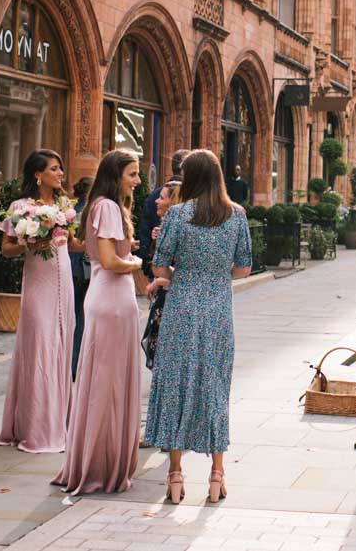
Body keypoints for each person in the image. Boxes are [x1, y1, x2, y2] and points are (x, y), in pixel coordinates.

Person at [144, 149, 253, 505]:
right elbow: (243, 269)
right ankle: (216, 473)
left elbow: (159, 267)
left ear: (189, 177)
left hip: (181, 308)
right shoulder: (236, 216)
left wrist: (176, 275)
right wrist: (215, 273)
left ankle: (175, 475)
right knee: (214, 384)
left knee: (176, 382)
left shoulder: (176, 214)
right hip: (219, 310)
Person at [52, 149, 144, 496]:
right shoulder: (107, 206)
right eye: (132, 174)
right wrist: (134, 261)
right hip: (112, 298)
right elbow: (109, 260)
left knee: (105, 380)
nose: (137, 181)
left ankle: (98, 459)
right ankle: (100, 464)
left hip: (107, 296)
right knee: (108, 383)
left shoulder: (104, 205)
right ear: (115, 175)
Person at [0, 150, 75, 454]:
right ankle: (35, 427)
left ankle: (60, 422)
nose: (60, 174)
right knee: (40, 344)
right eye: (55, 169)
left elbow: (72, 240)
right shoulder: (21, 207)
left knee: (61, 344)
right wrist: (31, 241)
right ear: (38, 174)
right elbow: (6, 248)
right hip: (38, 282)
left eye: (60, 168)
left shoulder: (65, 206)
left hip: (63, 277)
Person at [139, 150, 189, 277]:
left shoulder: (154, 195)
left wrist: (147, 267)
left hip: (161, 270)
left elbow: (144, 231)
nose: (158, 201)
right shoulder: (190, 197)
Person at [68, 176, 93, 380]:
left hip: (69, 266)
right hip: (85, 269)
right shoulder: (91, 211)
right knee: (82, 319)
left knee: (71, 317)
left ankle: (68, 364)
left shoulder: (69, 210)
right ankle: (76, 365)